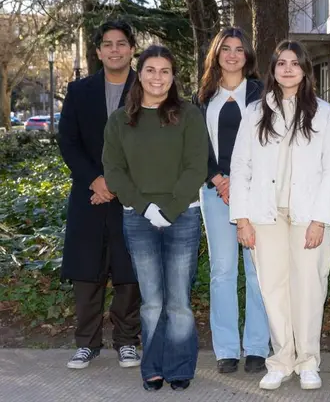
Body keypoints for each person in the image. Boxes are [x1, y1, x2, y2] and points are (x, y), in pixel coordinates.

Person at [229, 40, 330, 391]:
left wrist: (321, 219)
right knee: (273, 290)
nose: (289, 68)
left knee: (309, 288)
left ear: (306, 70)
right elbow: (240, 166)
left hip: (307, 214)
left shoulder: (324, 113)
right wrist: (243, 219)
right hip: (265, 216)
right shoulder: (254, 112)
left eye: (295, 63)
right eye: (282, 63)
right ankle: (281, 360)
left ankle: (308, 361)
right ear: (273, 70)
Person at [102, 45, 208, 392]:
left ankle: (179, 367)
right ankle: (153, 366)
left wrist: (172, 208)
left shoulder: (189, 114)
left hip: (183, 217)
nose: (157, 77)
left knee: (178, 300)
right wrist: (143, 207)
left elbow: (197, 165)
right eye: (151, 70)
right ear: (140, 73)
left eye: (165, 71)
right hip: (138, 217)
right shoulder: (120, 120)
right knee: (151, 302)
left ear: (173, 76)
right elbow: (114, 170)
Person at [57, 20, 141, 370]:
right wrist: (95, 180)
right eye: (108, 44)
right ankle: (86, 343)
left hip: (133, 194)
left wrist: (117, 183)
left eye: (122, 43)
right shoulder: (79, 91)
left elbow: (154, 145)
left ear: (132, 48)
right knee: (87, 269)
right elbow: (68, 142)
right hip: (88, 194)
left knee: (129, 268)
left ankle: (126, 341)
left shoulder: (147, 86)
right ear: (98, 51)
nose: (115, 50)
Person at [195, 27, 269, 375]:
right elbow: (197, 145)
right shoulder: (203, 96)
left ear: (247, 55)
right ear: (217, 54)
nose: (233, 54)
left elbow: (267, 142)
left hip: (254, 192)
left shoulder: (259, 93)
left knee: (256, 271)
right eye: (226, 48)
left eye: (239, 49)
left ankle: (257, 346)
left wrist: (240, 182)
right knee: (223, 272)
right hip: (214, 191)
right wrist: (218, 179)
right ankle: (226, 349)